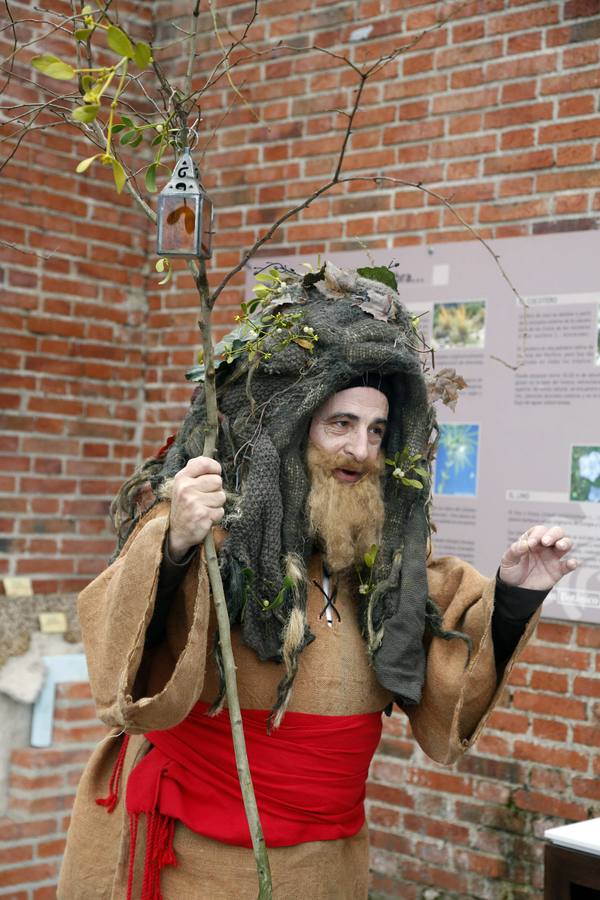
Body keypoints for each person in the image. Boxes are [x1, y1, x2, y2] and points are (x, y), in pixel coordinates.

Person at [58, 264, 576, 900]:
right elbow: (125, 665)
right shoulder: (212, 531)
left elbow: (450, 676)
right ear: (289, 425)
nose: (361, 450)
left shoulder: (382, 565)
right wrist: (175, 543)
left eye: (377, 430)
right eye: (341, 424)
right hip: (197, 859)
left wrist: (517, 593)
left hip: (328, 864)